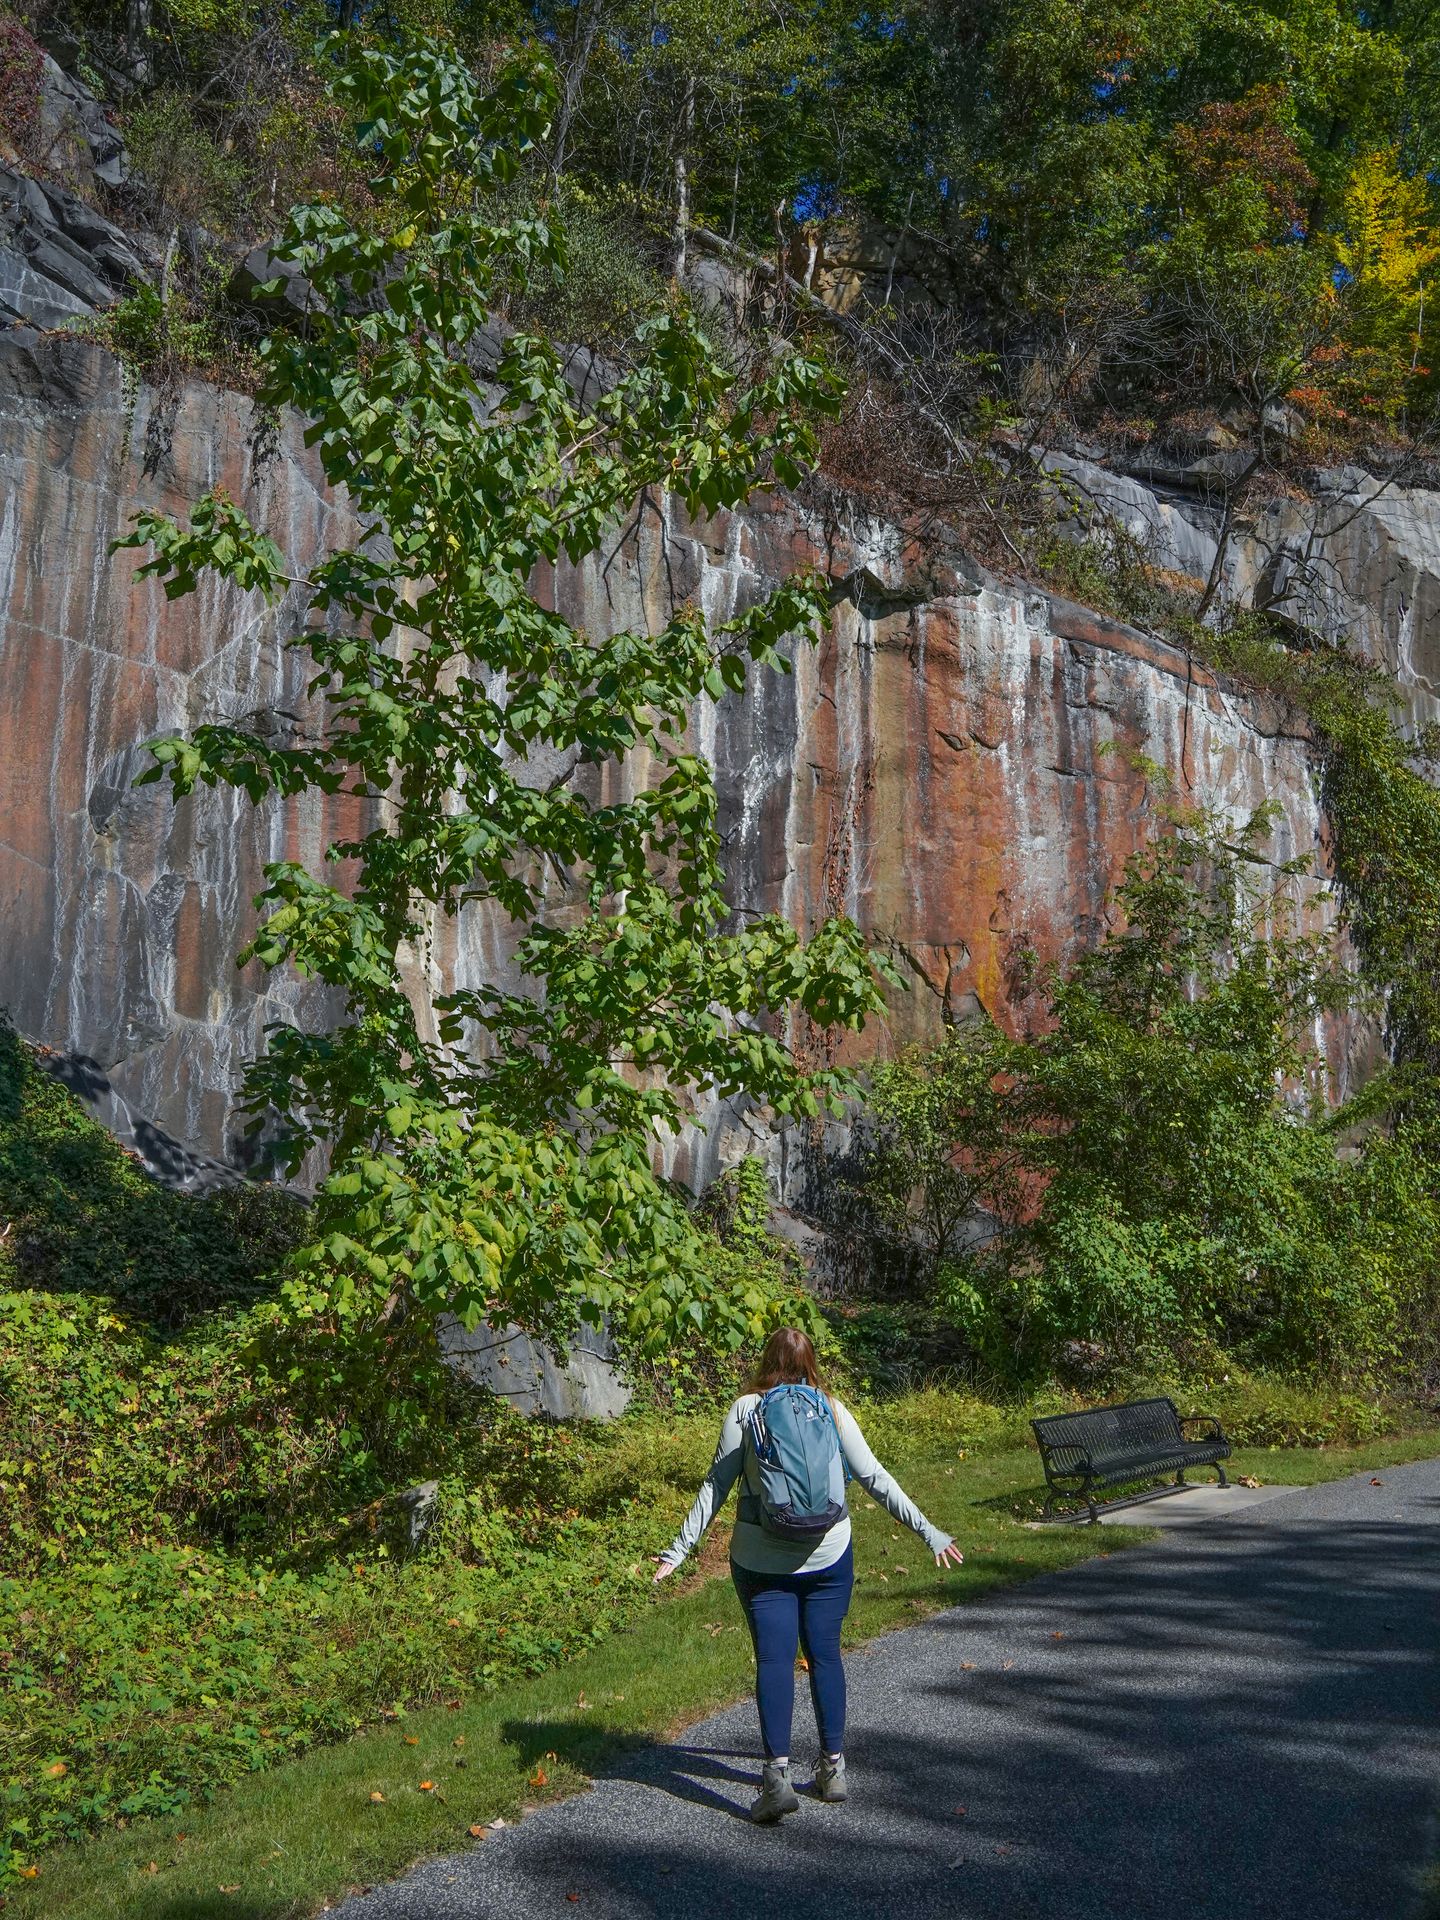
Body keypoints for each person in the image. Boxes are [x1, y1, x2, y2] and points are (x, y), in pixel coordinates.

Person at [652, 1325, 964, 1823]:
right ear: (811, 1362)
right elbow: (874, 1477)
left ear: (766, 1361)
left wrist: (680, 1548)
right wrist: (930, 1532)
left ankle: (776, 1779)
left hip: (761, 1560)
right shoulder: (832, 1409)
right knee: (825, 1656)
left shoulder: (746, 1410)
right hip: (828, 1554)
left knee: (774, 1660)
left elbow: (717, 1484)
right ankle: (832, 1769)